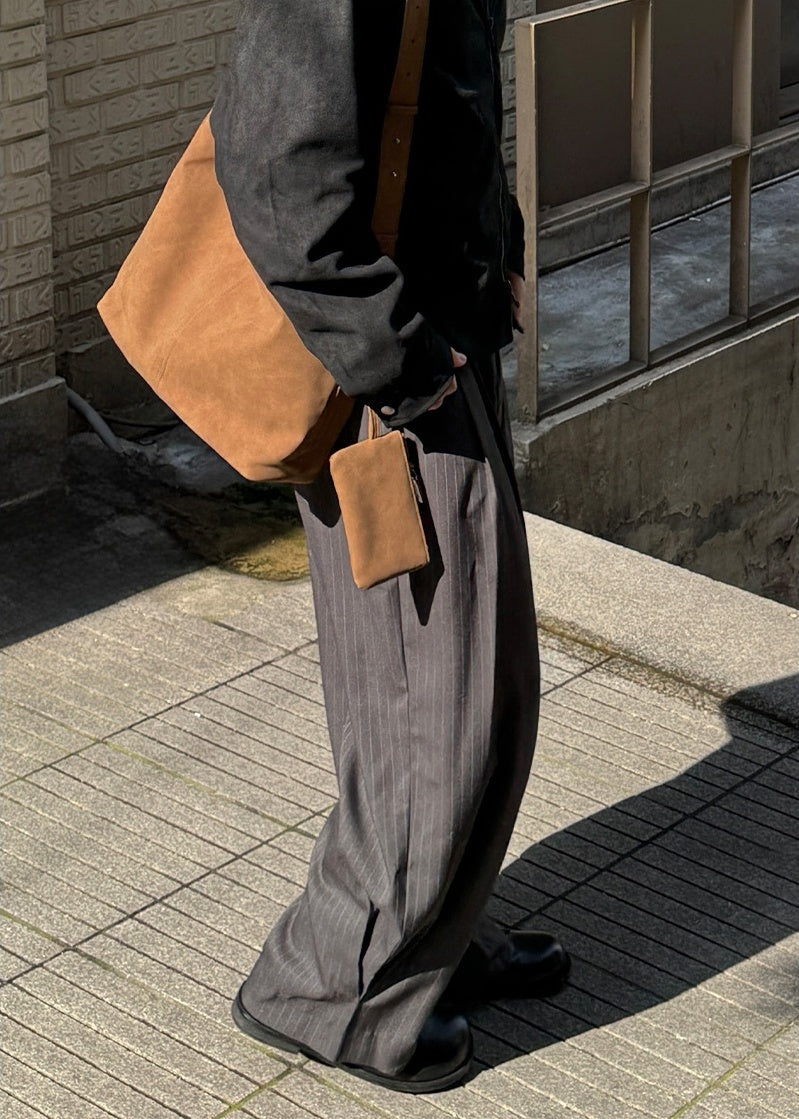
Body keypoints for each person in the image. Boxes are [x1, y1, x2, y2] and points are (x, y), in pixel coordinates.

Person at [211, 0, 569, 1094]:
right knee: (429, 703)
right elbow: (277, 168)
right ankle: (334, 991)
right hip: (394, 383)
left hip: (441, 341)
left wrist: (496, 250)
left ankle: (431, 940)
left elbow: (444, 98)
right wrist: (398, 360)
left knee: (478, 688)